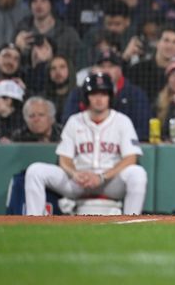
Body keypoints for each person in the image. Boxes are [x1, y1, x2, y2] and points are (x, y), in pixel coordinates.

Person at [23, 72, 147, 215]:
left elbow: (131, 158)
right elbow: (64, 158)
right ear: (87, 97)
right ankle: (33, 221)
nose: (99, 98)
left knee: (138, 173)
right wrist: (75, 174)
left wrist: (101, 177)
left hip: (110, 182)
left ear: (110, 97)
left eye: (103, 94)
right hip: (79, 182)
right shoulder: (74, 121)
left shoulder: (122, 121)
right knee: (35, 171)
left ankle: (131, 224)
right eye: (94, 94)